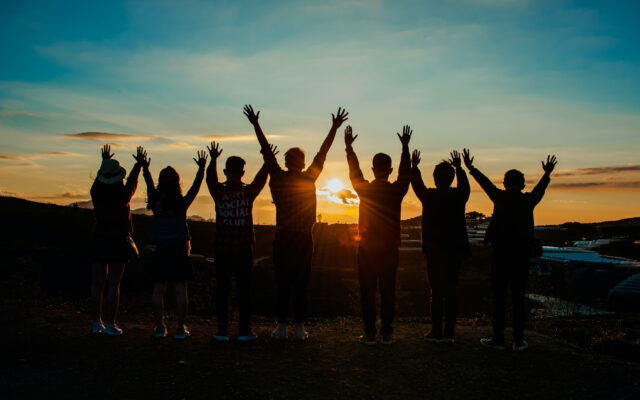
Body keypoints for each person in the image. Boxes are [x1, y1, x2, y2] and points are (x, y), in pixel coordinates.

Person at [243, 104, 349, 340]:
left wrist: (256, 124)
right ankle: (299, 327)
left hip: (283, 236)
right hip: (303, 237)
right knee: (301, 282)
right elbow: (323, 152)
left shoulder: (278, 178)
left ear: (286, 161)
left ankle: (281, 326)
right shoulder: (309, 178)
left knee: (282, 282)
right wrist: (333, 128)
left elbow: (266, 152)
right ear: (301, 163)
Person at [464, 149, 557, 351]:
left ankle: (498, 338)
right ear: (523, 184)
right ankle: (518, 339)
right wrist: (547, 173)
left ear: (505, 183)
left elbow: (485, 183)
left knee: (499, 298)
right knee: (518, 298)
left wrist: (471, 168)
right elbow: (540, 189)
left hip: (500, 254)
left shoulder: (500, 197)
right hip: (521, 256)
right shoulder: (528, 200)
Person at [345, 124, 411, 345]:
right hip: (389, 250)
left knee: (368, 293)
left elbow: (354, 172)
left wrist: (349, 149)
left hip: (366, 249)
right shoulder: (396, 191)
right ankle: (388, 333)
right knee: (388, 292)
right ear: (389, 170)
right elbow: (405, 174)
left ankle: (370, 333)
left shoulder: (365, 189)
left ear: (373, 169)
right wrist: (405, 148)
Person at [206, 141, 271, 341]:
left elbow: (210, 179)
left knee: (222, 290)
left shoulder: (219, 192)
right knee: (244, 291)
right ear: (243, 172)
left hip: (223, 249)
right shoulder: (248, 192)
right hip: (243, 249)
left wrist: (213, 159)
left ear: (225, 171)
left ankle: (222, 331)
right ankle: (244, 330)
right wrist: (267, 161)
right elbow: (261, 180)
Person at [143, 149, 208, 340]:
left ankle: (159, 327)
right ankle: (180, 328)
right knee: (181, 290)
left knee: (158, 289)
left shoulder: (156, 202)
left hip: (161, 249)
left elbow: (148, 185)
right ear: (177, 182)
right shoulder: (181, 202)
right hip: (179, 249)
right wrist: (201, 169)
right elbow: (195, 188)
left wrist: (145, 168)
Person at [411, 150, 471, 344]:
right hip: (454, 250)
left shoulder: (429, 196)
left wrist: (414, 166)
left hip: (434, 251)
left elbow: (416, 184)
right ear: (452, 178)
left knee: (436, 291)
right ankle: (450, 332)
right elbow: (466, 187)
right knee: (451, 291)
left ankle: (436, 331)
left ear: (435, 178)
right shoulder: (459, 196)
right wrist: (460, 168)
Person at [89, 144, 145, 335]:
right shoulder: (123, 196)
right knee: (114, 284)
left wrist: (104, 161)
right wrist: (139, 164)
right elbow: (133, 183)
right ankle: (111, 323)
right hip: (118, 240)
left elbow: (100, 180)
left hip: (99, 238)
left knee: (97, 284)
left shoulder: (96, 192)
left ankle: (96, 322)